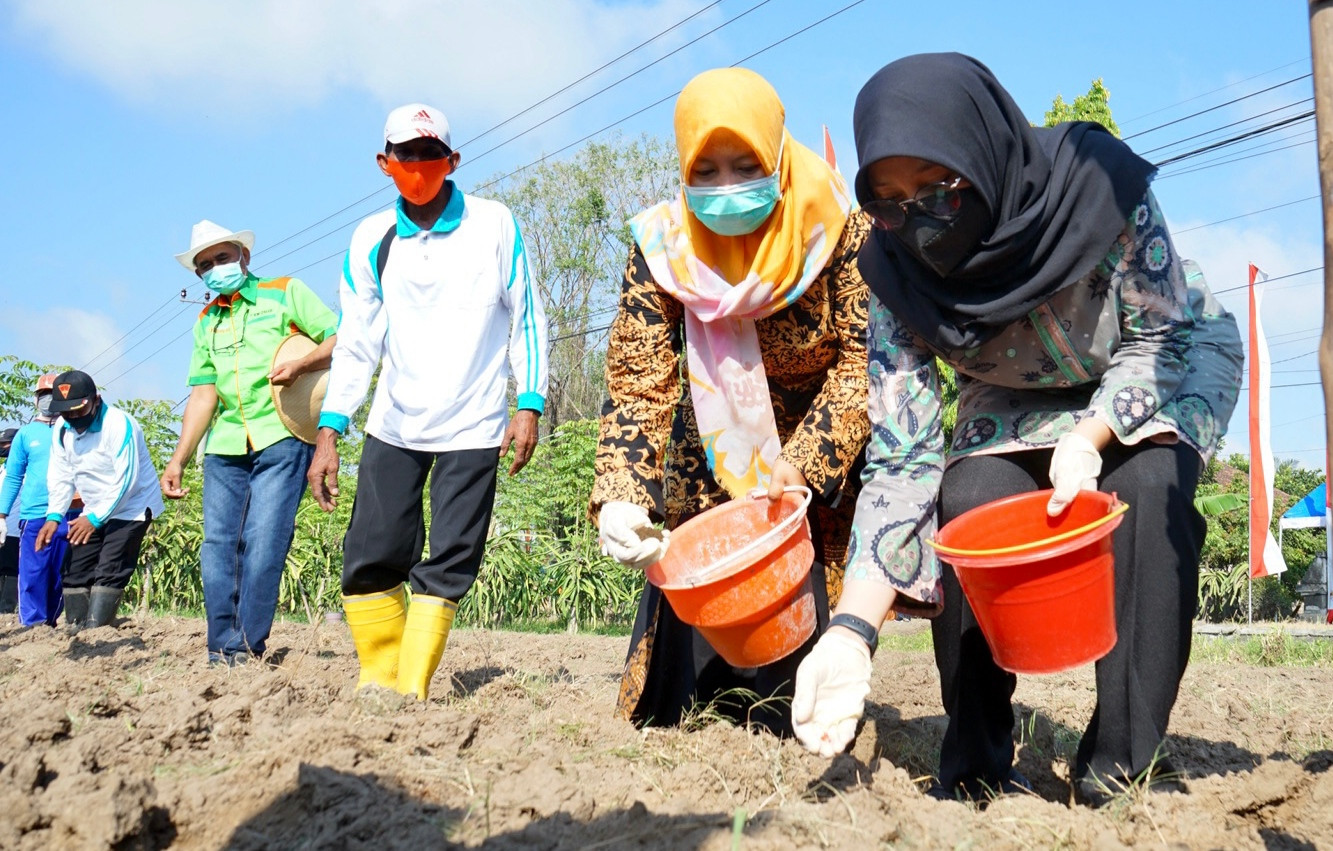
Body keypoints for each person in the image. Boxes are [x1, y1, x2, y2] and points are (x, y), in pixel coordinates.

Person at [791, 53, 1244, 806]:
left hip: (1156, 353)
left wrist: (1093, 436)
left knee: (1146, 484)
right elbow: (902, 456)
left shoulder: (1097, 181)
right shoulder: (892, 273)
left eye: (936, 191)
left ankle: (1120, 765)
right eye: (892, 203)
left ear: (981, 154)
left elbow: (1159, 338)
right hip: (1009, 389)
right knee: (969, 499)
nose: (918, 221)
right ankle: (972, 763)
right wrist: (850, 629)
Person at [589, 68, 877, 737]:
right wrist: (624, 491)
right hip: (711, 455)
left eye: (745, 166)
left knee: (792, 684)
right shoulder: (662, 250)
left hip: (817, 462)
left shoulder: (842, 229)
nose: (724, 190)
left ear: (776, 154)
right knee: (685, 692)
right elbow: (640, 376)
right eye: (706, 170)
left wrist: (802, 461)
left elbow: (865, 362)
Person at [310, 102, 549, 700]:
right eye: (406, 156)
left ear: (452, 161)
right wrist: (331, 428)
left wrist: (529, 403)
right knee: (369, 552)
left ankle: (411, 685)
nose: (418, 166)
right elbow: (358, 339)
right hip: (394, 421)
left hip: (473, 423)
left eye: (429, 155)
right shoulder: (371, 237)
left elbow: (527, 316)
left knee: (451, 556)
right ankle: (378, 675)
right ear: (385, 163)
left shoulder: (495, 224)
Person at [161, 220, 339, 665]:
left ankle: (244, 646)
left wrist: (303, 365)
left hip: (283, 436)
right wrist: (179, 458)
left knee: (264, 541)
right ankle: (219, 647)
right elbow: (204, 394)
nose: (215, 269)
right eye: (205, 266)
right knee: (218, 546)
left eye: (222, 258)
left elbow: (342, 340)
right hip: (224, 448)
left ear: (243, 256)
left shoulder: (284, 292)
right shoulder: (207, 320)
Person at [35, 371, 164, 631]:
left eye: (78, 411)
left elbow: (127, 479)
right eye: (66, 413)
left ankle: (97, 633)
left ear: (96, 400)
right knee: (75, 566)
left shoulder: (119, 424)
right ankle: (75, 629)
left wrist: (95, 519)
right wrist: (54, 516)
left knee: (111, 566)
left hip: (132, 507)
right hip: (94, 507)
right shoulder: (63, 429)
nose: (72, 418)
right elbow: (60, 475)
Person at [0, 374, 78, 627]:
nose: (47, 400)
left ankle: (51, 623)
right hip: (34, 515)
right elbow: (13, 477)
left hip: (70, 513)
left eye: (52, 395)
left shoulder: (73, 429)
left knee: (59, 574)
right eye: (43, 394)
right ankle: (33, 625)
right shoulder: (25, 435)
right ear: (35, 400)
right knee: (33, 573)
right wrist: (2, 515)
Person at [0, 427, 21, 613]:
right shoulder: (4, 468)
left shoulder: (24, 469)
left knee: (10, 568)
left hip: (15, 528)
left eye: (5, 444)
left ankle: (6, 609)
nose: (2, 447)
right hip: (3, 527)